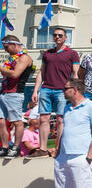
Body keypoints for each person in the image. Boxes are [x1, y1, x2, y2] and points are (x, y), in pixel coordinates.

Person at [31, 28, 80, 157]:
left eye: (60, 35)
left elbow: (75, 74)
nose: (57, 37)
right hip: (46, 88)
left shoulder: (72, 53)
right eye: (55, 35)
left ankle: (59, 149)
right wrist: (36, 90)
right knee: (43, 119)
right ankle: (43, 149)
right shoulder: (47, 53)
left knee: (61, 120)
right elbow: (41, 72)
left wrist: (75, 90)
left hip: (62, 90)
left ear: (65, 38)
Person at [0, 35, 34, 157]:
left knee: (16, 121)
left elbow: (15, 74)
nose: (5, 50)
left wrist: (0, 68)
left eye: (6, 47)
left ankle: (16, 146)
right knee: (1, 121)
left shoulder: (24, 58)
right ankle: (4, 147)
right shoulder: (12, 59)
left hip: (15, 93)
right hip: (3, 92)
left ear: (14, 44)